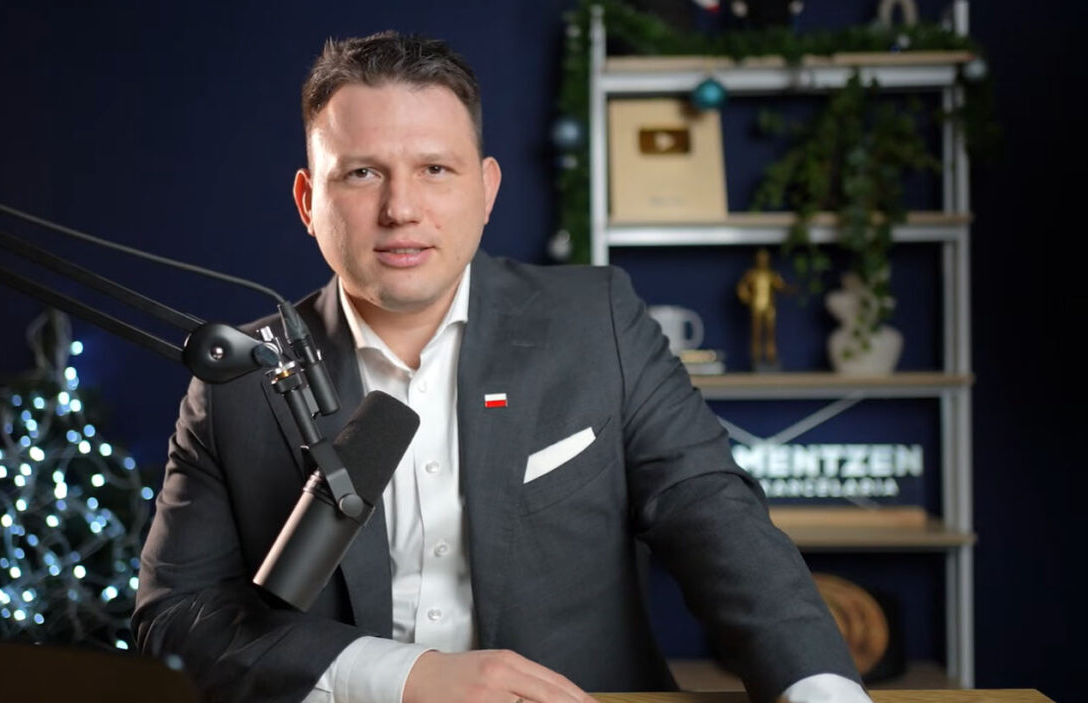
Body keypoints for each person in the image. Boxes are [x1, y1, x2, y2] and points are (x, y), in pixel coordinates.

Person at [133, 31, 869, 703]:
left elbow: (711, 511)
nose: (400, 208)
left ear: (486, 190)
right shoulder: (238, 380)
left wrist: (819, 689)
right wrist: (404, 676)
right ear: (307, 200)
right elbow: (176, 615)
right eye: (361, 173)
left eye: (434, 169)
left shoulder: (598, 322)